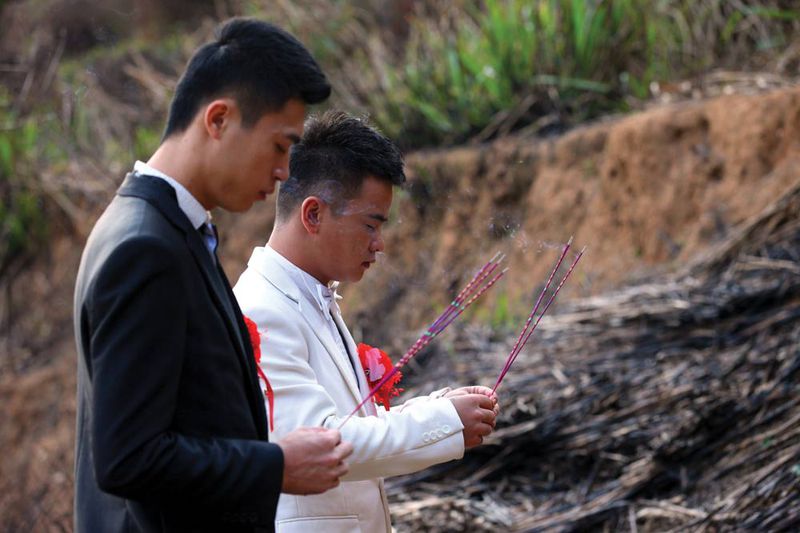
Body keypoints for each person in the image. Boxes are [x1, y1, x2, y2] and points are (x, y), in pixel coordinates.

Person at [73, 18, 353, 533]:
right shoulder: (145, 248)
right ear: (218, 119)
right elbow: (127, 458)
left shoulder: (165, 229)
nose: (285, 171)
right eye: (279, 145)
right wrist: (277, 465)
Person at [233, 111, 499, 532]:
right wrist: (446, 422)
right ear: (314, 215)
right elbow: (324, 443)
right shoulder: (262, 309)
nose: (380, 244)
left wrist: (437, 407)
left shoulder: (313, 296)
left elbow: (353, 422)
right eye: (370, 225)